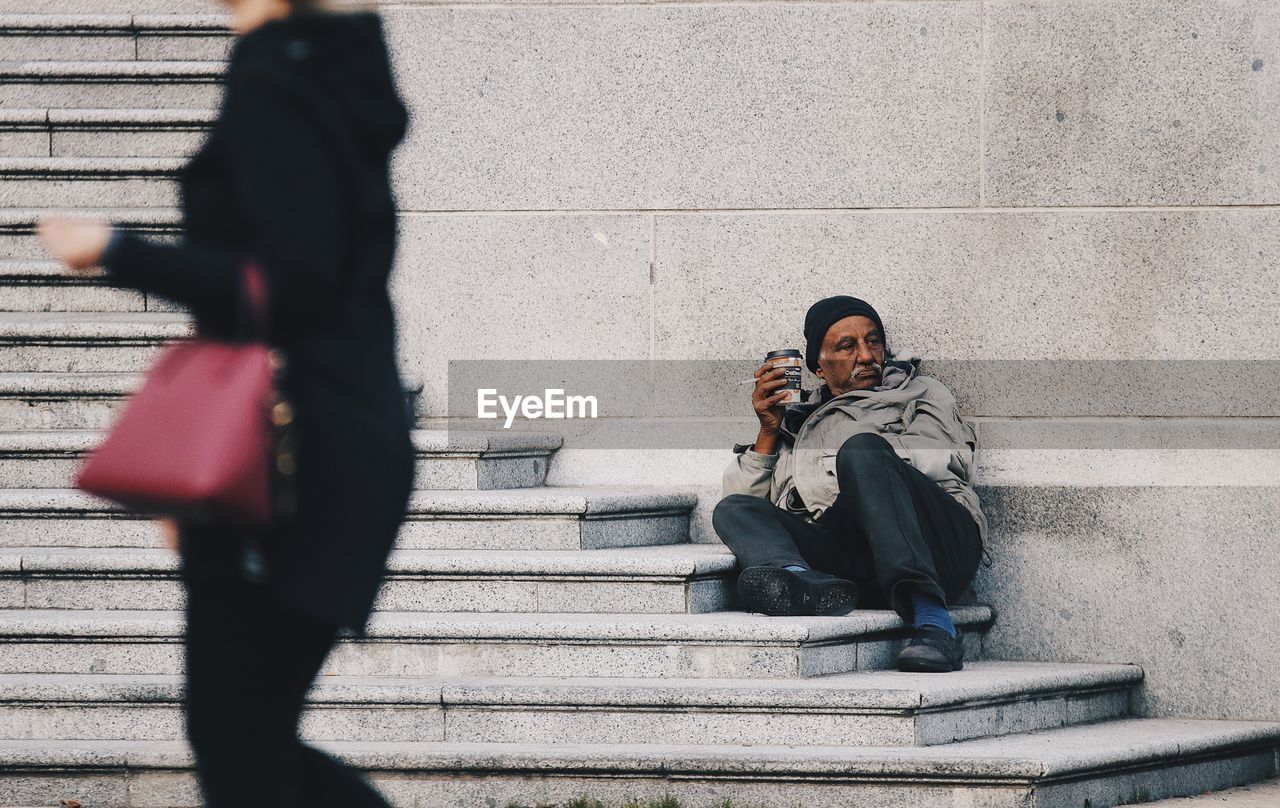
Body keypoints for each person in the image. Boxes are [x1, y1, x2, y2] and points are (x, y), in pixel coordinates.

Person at [38, 0, 413, 804]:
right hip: (325, 442)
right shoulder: (328, 70)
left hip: (287, 456)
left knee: (237, 745)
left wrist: (114, 250)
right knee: (245, 741)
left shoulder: (275, 76)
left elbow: (294, 283)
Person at [713, 296, 988, 673]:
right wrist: (769, 432)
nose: (866, 356)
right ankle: (801, 582)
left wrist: (852, 459)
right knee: (735, 508)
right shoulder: (798, 422)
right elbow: (748, 504)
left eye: (873, 342)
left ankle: (935, 625)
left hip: (938, 544)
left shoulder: (920, 393)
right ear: (819, 366)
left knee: (862, 451)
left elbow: (939, 458)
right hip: (858, 562)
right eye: (847, 346)